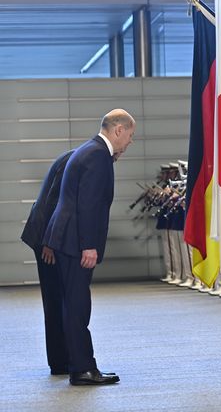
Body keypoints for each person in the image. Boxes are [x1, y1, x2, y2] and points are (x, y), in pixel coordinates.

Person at [43, 108, 135, 385]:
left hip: (66, 238)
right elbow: (90, 205)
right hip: (75, 242)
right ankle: (83, 368)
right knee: (78, 305)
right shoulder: (97, 156)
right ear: (118, 130)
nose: (130, 142)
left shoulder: (88, 150)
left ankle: (79, 365)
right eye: (130, 136)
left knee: (73, 304)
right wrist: (89, 246)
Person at [21, 150, 74, 375]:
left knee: (56, 299)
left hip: (45, 234)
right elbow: (55, 201)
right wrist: (50, 242)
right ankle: (60, 362)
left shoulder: (73, 157)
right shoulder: (76, 162)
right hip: (45, 237)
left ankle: (61, 358)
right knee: (54, 300)